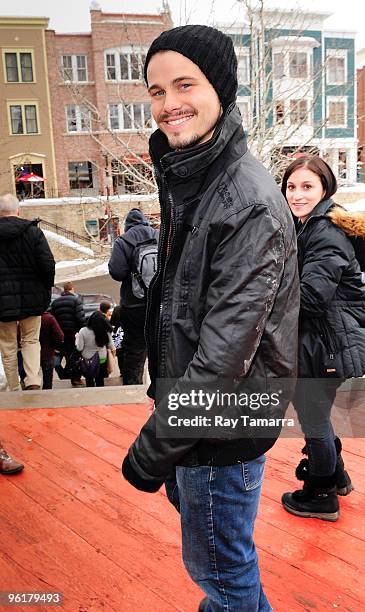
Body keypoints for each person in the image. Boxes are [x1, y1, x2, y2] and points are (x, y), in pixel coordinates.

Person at [121, 25, 299, 611]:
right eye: (155, 90)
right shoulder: (194, 178)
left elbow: (223, 359)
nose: (168, 103)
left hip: (218, 428)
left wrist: (151, 451)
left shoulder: (243, 202)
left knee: (222, 573)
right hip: (197, 425)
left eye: (184, 84)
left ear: (220, 88)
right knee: (220, 564)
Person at [280, 155, 365, 521]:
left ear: (325, 188)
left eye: (307, 186)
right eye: (291, 187)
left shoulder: (324, 232)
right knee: (317, 415)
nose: (297, 195)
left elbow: (310, 298)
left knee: (313, 419)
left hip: (324, 344)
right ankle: (336, 476)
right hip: (324, 340)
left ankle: (321, 493)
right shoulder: (310, 226)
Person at [0, 193, 55, 391]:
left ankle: (14, 387)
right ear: (18, 211)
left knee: (7, 345)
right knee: (31, 340)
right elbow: (47, 265)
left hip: (2, 302)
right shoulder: (33, 233)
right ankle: (32, 380)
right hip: (32, 297)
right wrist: (45, 287)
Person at [108, 209, 157, 385]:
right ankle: (162, 389)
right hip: (158, 303)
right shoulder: (158, 235)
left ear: (127, 225)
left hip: (133, 305)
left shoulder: (123, 241)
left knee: (135, 350)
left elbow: (117, 272)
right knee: (160, 347)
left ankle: (133, 387)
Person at [50, 281, 86, 387]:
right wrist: (82, 330)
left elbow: (53, 320)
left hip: (61, 335)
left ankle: (66, 376)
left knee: (66, 356)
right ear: (72, 289)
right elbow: (80, 318)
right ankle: (75, 378)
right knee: (75, 357)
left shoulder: (55, 303)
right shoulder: (76, 300)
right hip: (73, 334)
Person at [75, 311, 115, 387]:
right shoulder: (106, 330)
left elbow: (79, 348)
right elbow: (111, 345)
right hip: (102, 358)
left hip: (87, 360)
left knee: (89, 379)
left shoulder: (83, 331)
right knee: (100, 379)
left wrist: (77, 338)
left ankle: (90, 392)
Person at [39, 310, 64, 389]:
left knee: (30, 380)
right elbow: (60, 336)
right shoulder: (49, 318)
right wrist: (56, 346)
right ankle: (46, 397)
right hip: (48, 353)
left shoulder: (28, 319)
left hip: (31, 354)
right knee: (47, 380)